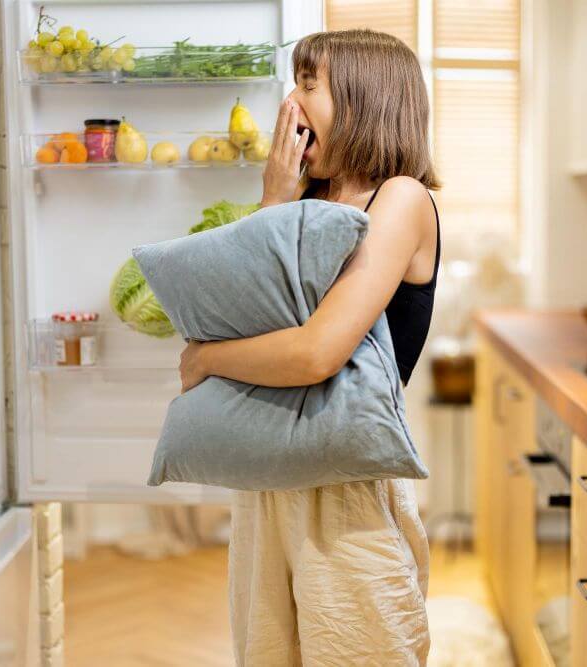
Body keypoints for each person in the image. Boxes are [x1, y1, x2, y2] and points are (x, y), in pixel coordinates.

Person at [177, 28, 441, 666]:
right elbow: (247, 320)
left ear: (357, 100)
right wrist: (273, 198)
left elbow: (315, 353)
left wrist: (207, 361)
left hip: (348, 488)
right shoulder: (306, 200)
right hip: (269, 484)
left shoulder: (402, 199)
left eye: (307, 85)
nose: (289, 104)